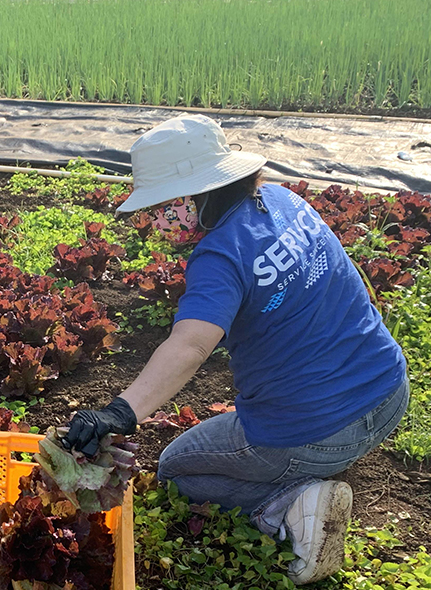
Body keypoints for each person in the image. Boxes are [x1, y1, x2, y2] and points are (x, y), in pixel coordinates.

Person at [59, 114, 408, 585]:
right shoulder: (286, 200)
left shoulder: (219, 257)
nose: (158, 219)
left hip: (314, 429)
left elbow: (191, 345)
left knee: (178, 470)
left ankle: (288, 508)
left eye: (164, 205)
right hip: (387, 392)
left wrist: (120, 412)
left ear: (196, 194)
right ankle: (312, 471)